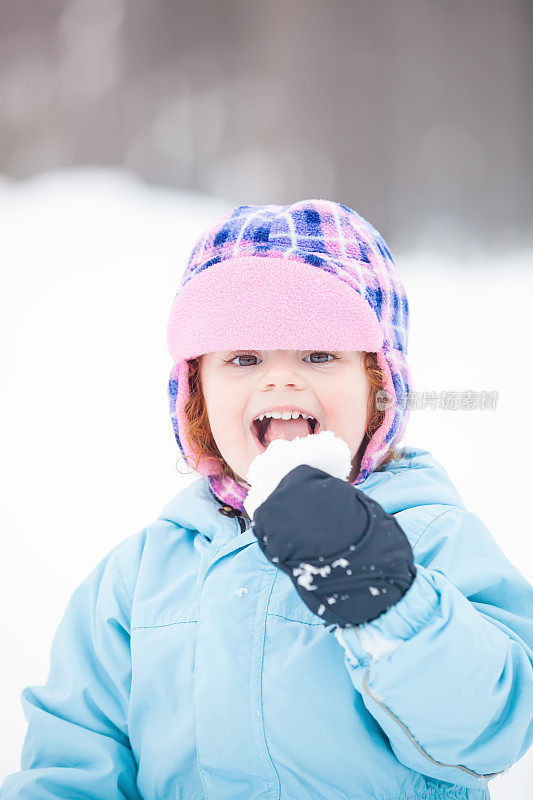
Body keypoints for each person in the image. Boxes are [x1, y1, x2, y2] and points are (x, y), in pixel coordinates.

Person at [2, 199, 532, 800]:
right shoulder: (136, 581)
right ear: (195, 394)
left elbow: (490, 732)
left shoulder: (433, 538)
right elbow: (71, 766)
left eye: (319, 354)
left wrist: (385, 593)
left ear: (379, 384)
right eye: (244, 358)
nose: (280, 380)